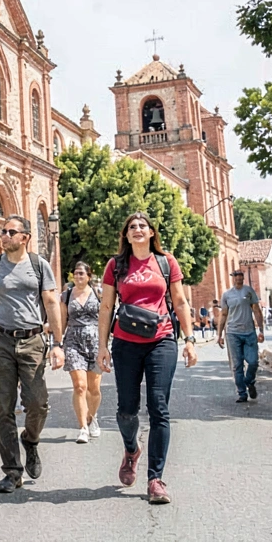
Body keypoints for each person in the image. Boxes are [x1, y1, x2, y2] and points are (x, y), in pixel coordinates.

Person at [98, 212, 197, 505]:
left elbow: (179, 301)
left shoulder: (166, 262)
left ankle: (155, 479)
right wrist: (102, 346)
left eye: (143, 226)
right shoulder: (116, 265)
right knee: (127, 409)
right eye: (132, 227)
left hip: (162, 339)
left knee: (159, 408)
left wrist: (190, 339)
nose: (138, 230)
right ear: (126, 235)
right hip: (125, 343)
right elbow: (106, 307)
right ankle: (132, 449)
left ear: (152, 232)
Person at [0, 215, 64, 494]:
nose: (4, 236)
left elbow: (51, 302)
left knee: (37, 403)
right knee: (3, 408)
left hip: (32, 342)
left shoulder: (39, 266)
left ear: (25, 237)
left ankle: (30, 440)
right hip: (0, 341)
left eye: (10, 232)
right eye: (3, 231)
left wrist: (57, 343)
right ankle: (12, 471)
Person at [61, 261, 103, 444]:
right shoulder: (66, 294)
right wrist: (56, 344)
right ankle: (83, 428)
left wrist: (106, 345)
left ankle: (91, 417)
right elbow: (62, 320)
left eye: (81, 274)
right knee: (80, 386)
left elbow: (106, 318)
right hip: (73, 341)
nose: (78, 277)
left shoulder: (98, 293)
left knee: (94, 389)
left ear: (89, 276)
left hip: (95, 342)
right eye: (75, 273)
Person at [217, 270, 264, 403]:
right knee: (237, 364)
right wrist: (219, 334)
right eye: (236, 277)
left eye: (241, 277)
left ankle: (249, 381)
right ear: (233, 279)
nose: (239, 279)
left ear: (243, 279)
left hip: (249, 332)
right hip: (232, 333)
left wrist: (261, 330)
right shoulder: (227, 295)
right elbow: (224, 314)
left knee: (253, 361)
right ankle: (242, 393)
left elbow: (256, 310)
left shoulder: (249, 292)